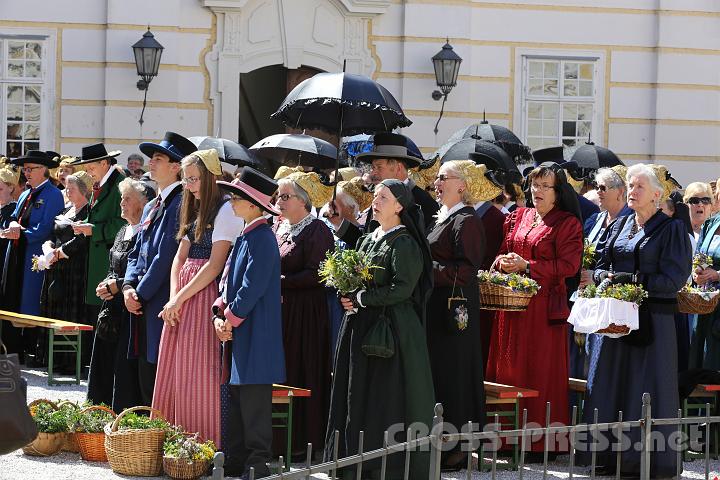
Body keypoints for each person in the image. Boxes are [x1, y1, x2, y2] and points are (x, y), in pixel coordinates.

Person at [581, 164, 691, 477]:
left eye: (639, 186)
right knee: (609, 384)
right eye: (630, 185)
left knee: (645, 388)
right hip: (616, 320)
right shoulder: (621, 224)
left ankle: (646, 462)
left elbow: (672, 280)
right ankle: (608, 457)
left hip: (653, 322)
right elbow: (601, 266)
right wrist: (606, 278)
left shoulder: (672, 230)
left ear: (657, 195)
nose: (632, 191)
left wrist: (633, 279)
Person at [325, 179, 435, 480]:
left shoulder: (404, 243)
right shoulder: (368, 238)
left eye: (383, 197)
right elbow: (355, 277)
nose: (375, 201)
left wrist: (361, 298)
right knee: (357, 391)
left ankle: (387, 466)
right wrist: (346, 293)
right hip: (360, 324)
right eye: (375, 196)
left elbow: (402, 289)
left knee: (386, 396)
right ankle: (353, 461)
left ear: (399, 205)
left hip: (393, 331)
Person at [486, 162, 583, 457]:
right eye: (534, 185)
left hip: (542, 311)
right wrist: (503, 262)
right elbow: (504, 250)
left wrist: (529, 266)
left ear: (558, 192)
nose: (537, 191)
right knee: (507, 369)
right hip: (510, 306)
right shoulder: (518, 216)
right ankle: (503, 438)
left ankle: (541, 442)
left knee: (539, 371)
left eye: (544, 186)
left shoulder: (567, 223)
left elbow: (570, 266)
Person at [153, 149, 241, 447]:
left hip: (205, 296)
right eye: (186, 179)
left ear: (210, 177)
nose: (188, 185)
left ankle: (202, 441)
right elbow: (179, 259)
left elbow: (215, 265)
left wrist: (180, 299)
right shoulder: (193, 209)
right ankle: (173, 438)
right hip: (183, 296)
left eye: (193, 179)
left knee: (199, 369)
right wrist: (172, 299)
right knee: (176, 368)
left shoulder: (226, 210)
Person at [212, 169, 286, 479]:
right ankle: (237, 459)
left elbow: (251, 288)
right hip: (242, 330)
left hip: (257, 333)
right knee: (239, 397)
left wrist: (228, 318)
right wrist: (220, 311)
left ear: (254, 204)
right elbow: (229, 282)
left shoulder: (262, 238)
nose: (231, 201)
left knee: (254, 402)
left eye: (237, 197)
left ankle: (257, 464)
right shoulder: (247, 234)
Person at [122, 131, 197, 405]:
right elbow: (137, 250)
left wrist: (138, 295)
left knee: (157, 370)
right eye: (151, 158)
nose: (150, 163)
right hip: (142, 298)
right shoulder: (153, 204)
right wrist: (128, 286)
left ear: (176, 167)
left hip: (159, 299)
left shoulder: (180, 203)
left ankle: (156, 436)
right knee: (144, 369)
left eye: (158, 158)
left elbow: (165, 257)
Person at [427, 160, 490, 470]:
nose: (437, 182)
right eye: (437, 178)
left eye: (443, 178)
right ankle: (443, 440)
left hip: (456, 310)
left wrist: (428, 272)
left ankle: (461, 446)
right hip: (437, 308)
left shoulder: (467, 220)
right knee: (442, 374)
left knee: (456, 375)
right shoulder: (444, 218)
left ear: (462, 185)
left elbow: (466, 270)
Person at [272, 171, 334, 455]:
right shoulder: (279, 228)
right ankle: (277, 438)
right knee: (281, 371)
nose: (279, 202)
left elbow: (317, 274)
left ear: (304, 201)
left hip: (306, 313)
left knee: (301, 369)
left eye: (286, 196)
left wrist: (279, 281)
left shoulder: (317, 230)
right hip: (282, 311)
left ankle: (302, 440)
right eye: (279, 196)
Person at [89, 178, 151, 411]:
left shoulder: (146, 230)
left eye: (127, 199)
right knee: (103, 366)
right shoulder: (123, 230)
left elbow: (145, 271)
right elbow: (112, 265)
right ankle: (97, 416)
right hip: (111, 309)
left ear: (143, 203)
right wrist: (105, 284)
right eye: (122, 198)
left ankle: (121, 421)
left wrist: (118, 285)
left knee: (123, 369)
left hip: (131, 308)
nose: (122, 204)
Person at [1, 151, 64, 364]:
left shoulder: (53, 194)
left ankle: (33, 349)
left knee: (31, 300)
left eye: (31, 169)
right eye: (25, 169)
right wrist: (12, 226)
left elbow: (46, 227)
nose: (26, 173)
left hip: (34, 254)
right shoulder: (24, 194)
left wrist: (22, 234)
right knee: (13, 298)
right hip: (17, 252)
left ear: (43, 170)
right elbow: (13, 217)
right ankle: (14, 349)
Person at [328, 133, 439, 248]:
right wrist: (340, 222)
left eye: (379, 167)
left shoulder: (423, 203)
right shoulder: (379, 198)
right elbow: (368, 242)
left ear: (398, 168)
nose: (373, 173)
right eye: (373, 167)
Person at [579, 167, 632, 386]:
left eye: (603, 188)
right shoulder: (595, 219)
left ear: (620, 192)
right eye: (596, 187)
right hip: (588, 297)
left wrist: (598, 277)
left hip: (612, 300)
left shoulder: (630, 220)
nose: (598, 192)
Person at [38, 171, 94, 367]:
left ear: (84, 191)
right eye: (67, 187)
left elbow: (82, 240)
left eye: (72, 188)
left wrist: (60, 253)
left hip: (74, 269)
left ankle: (68, 361)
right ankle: (50, 358)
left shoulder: (88, 212)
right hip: (56, 266)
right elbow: (53, 234)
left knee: (70, 312)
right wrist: (48, 248)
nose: (67, 191)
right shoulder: (65, 211)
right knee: (53, 307)